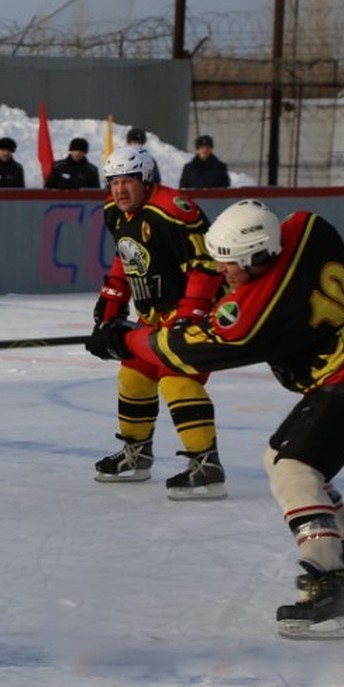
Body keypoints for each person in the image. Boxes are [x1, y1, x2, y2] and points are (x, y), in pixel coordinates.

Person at [87, 199, 344, 638]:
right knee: (284, 461)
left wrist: (126, 340)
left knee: (293, 466)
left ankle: (335, 584)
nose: (221, 271)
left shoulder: (255, 316)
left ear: (258, 257)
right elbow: (241, 297)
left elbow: (186, 350)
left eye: (229, 263)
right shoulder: (310, 230)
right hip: (341, 368)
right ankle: (342, 553)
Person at [85, 145, 226, 498]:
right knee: (134, 374)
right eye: (113, 181)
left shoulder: (175, 211)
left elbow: (206, 265)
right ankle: (137, 453)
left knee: (177, 379)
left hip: (194, 315)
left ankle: (206, 464)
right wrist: (111, 302)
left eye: (128, 180)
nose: (119, 189)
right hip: (152, 316)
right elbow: (126, 257)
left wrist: (190, 313)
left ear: (146, 180)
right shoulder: (114, 212)